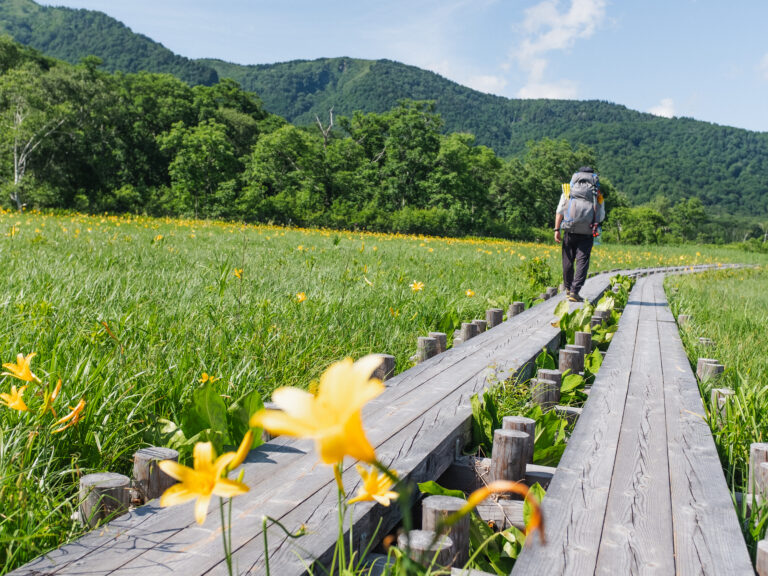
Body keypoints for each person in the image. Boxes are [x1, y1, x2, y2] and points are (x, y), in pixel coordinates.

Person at [553, 166, 605, 302]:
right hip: (587, 232)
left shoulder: (568, 190)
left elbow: (560, 210)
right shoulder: (597, 193)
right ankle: (575, 291)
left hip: (569, 230)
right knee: (583, 260)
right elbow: (601, 215)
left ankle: (568, 289)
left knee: (568, 260)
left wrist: (556, 230)